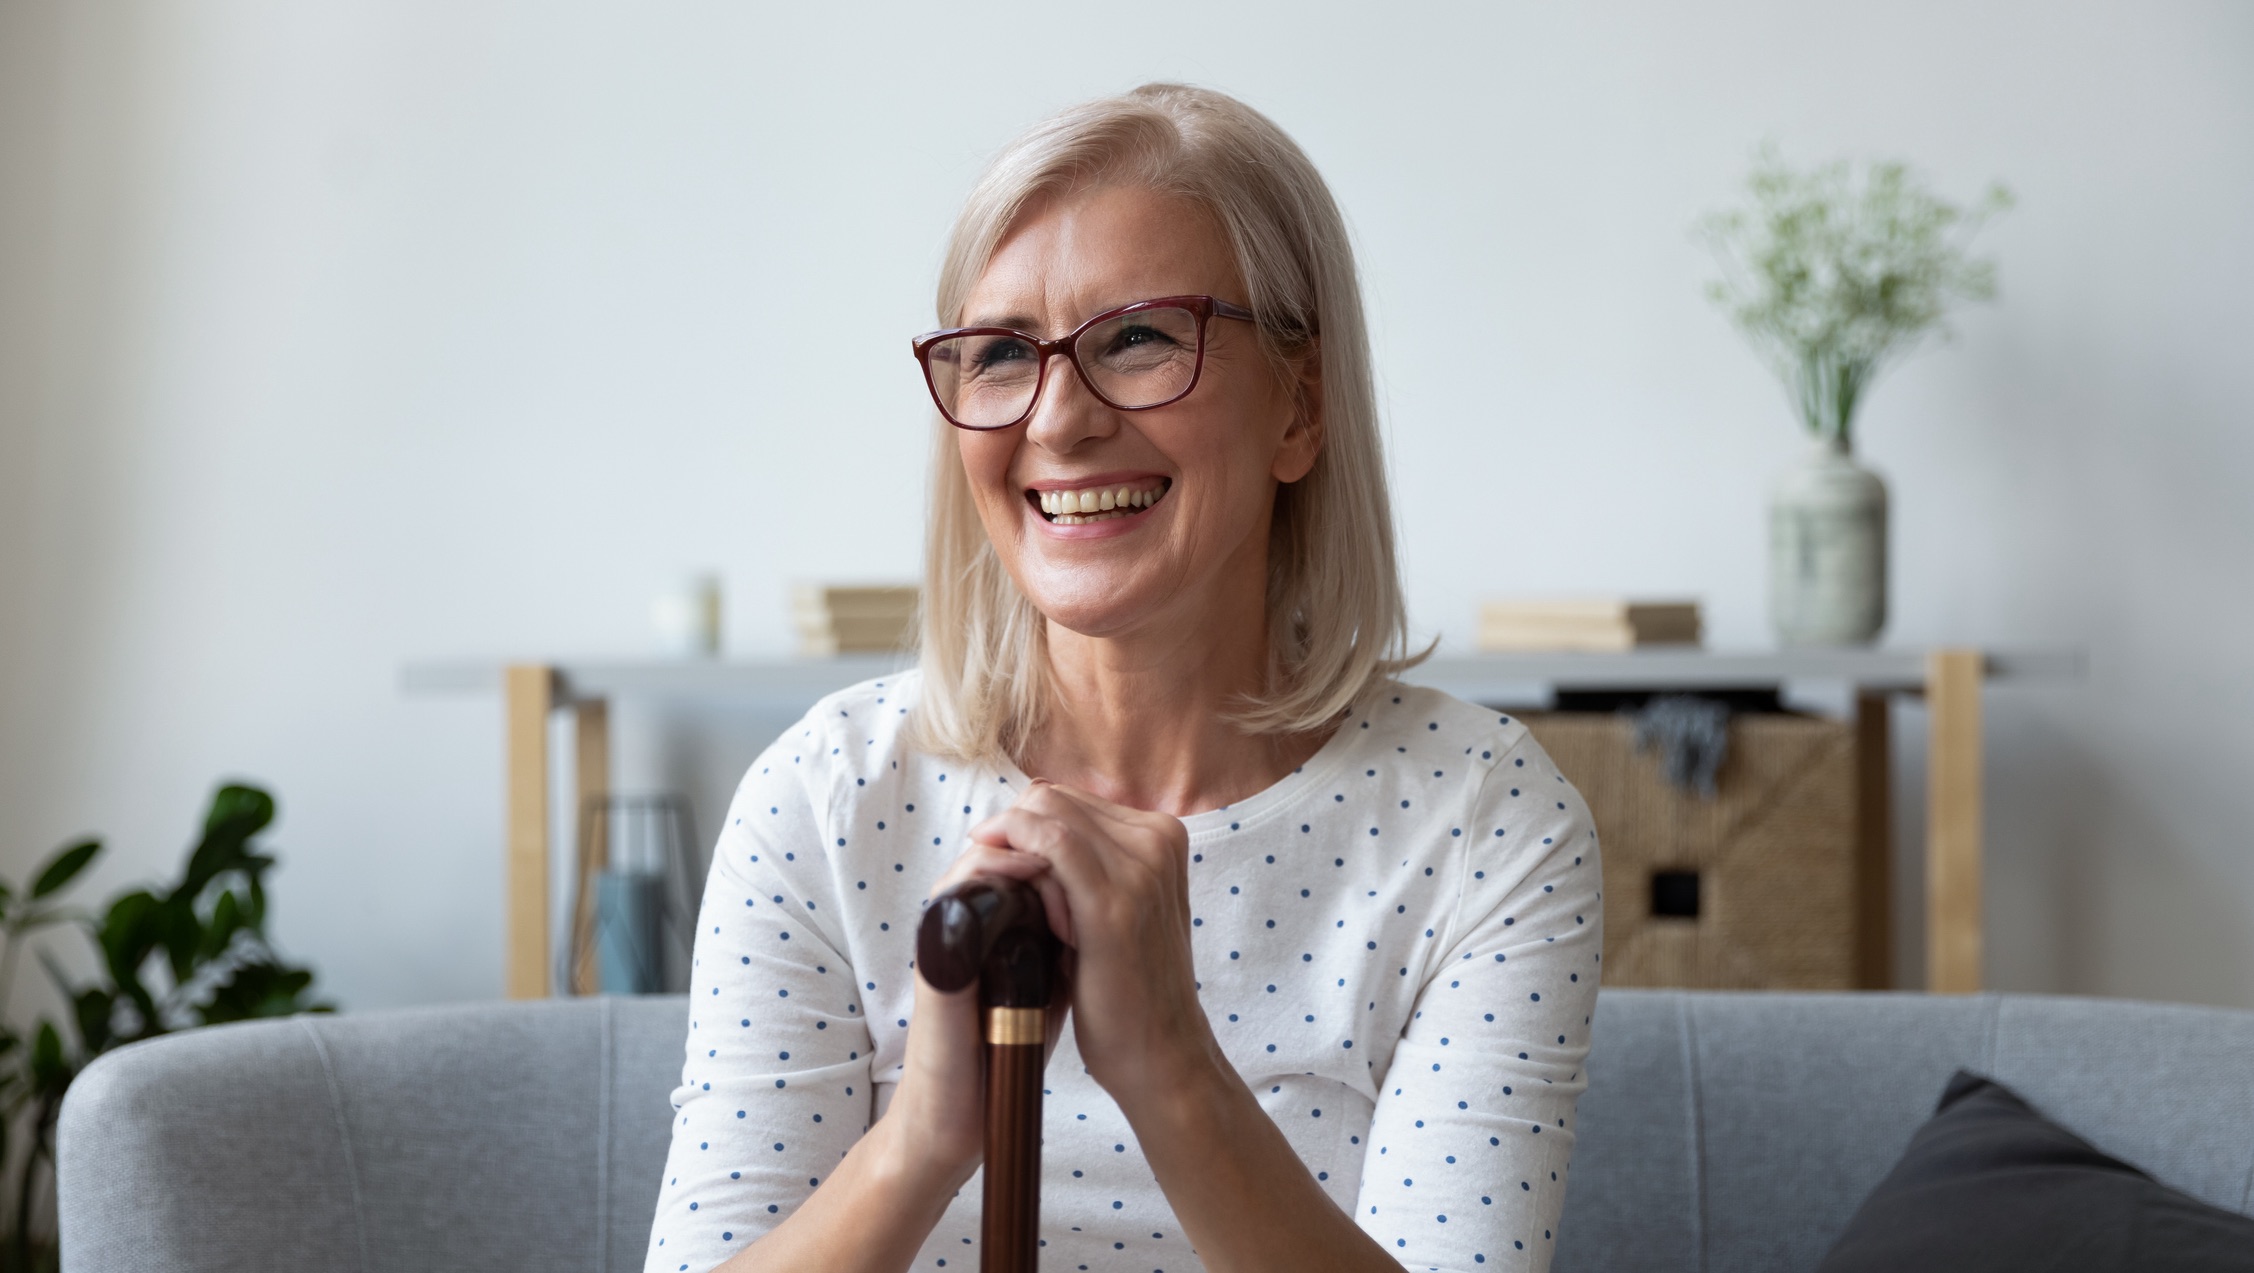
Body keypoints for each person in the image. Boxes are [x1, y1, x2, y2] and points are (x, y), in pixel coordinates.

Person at [646, 83, 1601, 1273]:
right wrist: (927, 1138)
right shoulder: (826, 796)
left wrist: (1167, 1062)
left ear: (1300, 407)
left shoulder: (1483, 821)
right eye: (1000, 354)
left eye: (1140, 336)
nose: (1056, 419)